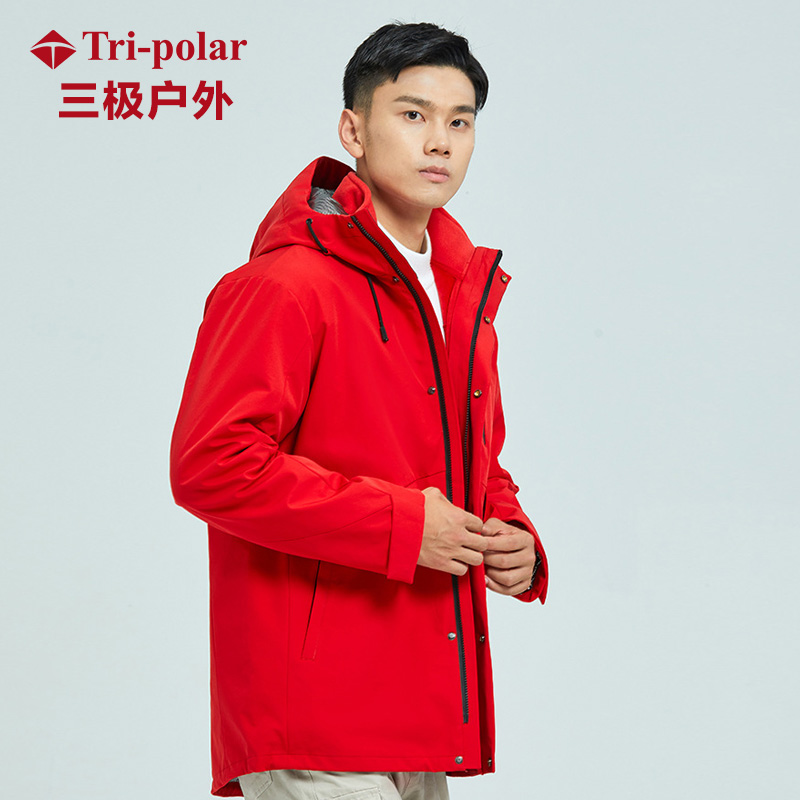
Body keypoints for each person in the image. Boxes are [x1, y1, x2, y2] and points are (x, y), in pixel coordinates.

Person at [170, 21, 548, 800]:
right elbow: (212, 467)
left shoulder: (459, 297)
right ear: (354, 131)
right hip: (314, 715)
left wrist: (510, 535)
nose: (439, 141)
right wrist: (404, 526)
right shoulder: (284, 286)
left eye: (460, 121)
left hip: (421, 710)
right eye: (412, 115)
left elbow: (473, 465)